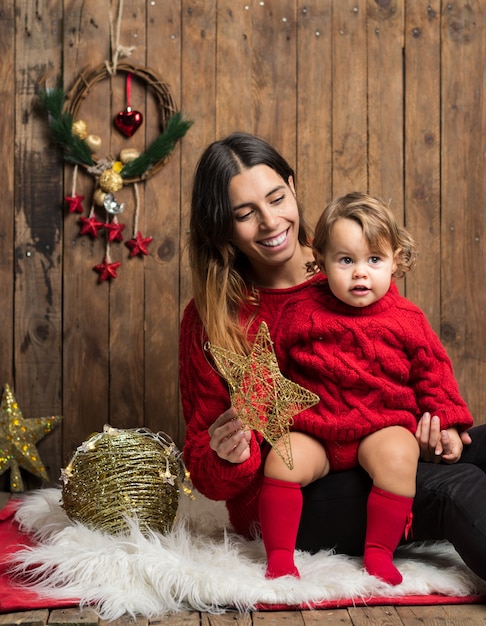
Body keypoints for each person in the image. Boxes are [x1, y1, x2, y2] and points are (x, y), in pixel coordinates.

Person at [179, 131, 486, 586]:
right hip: (295, 493)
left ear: (293, 185)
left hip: (374, 446)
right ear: (221, 226)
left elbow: (399, 366)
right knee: (454, 490)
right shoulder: (215, 316)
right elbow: (207, 472)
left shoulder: (348, 262)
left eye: (277, 198)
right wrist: (230, 453)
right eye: (245, 214)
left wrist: (436, 430)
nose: (269, 222)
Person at [268, 192, 473, 584]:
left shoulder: (406, 318)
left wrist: (446, 422)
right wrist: (261, 408)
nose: (360, 273)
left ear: (395, 260)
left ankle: (378, 552)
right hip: (317, 430)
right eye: (346, 260)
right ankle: (279, 555)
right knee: (282, 459)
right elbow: (273, 367)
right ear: (322, 259)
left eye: (373, 260)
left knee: (399, 456)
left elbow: (434, 373)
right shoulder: (300, 313)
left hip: (378, 426)